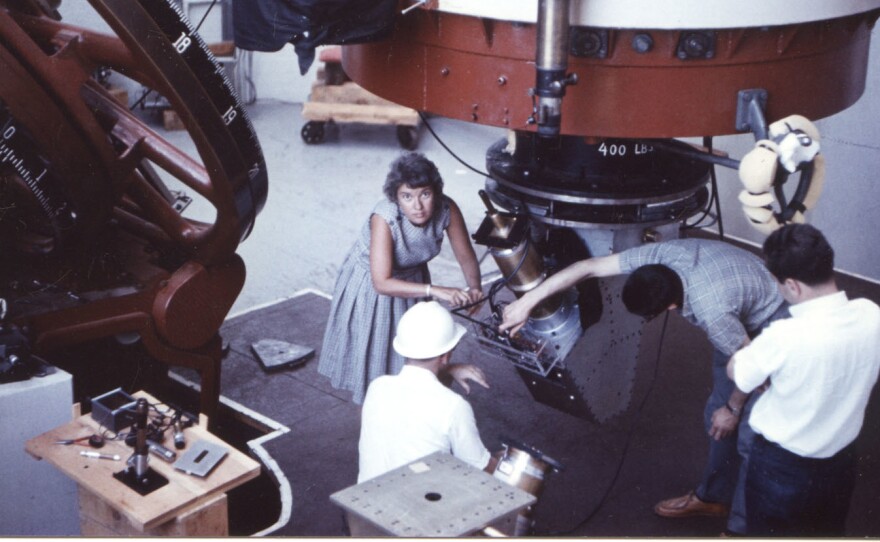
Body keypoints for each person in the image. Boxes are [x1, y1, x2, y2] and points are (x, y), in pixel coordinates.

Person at [499, 237, 787, 534]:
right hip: (740, 298)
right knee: (715, 415)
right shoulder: (660, 255)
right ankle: (713, 497)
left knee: (753, 436)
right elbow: (588, 268)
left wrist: (733, 407)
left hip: (772, 319)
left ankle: (744, 530)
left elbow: (751, 366)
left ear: (671, 306)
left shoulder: (713, 312)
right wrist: (526, 302)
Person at [727, 224, 880, 536]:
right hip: (840, 462)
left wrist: (743, 357)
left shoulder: (784, 336)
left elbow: (739, 373)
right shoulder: (872, 314)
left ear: (792, 286)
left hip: (781, 467)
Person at [318, 152, 484, 404]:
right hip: (373, 287)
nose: (417, 206)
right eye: (407, 196)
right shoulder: (384, 217)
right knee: (375, 366)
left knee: (417, 352)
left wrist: (475, 289)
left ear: (435, 193)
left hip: (414, 279)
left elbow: (466, 257)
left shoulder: (447, 208)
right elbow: (381, 282)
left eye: (425, 194)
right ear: (396, 197)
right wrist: (437, 290)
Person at [358, 301, 496, 483]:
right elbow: (480, 467)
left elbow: (419, 398)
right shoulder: (454, 406)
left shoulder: (377, 387)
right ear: (446, 356)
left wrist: (447, 370)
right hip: (420, 508)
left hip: (364, 503)